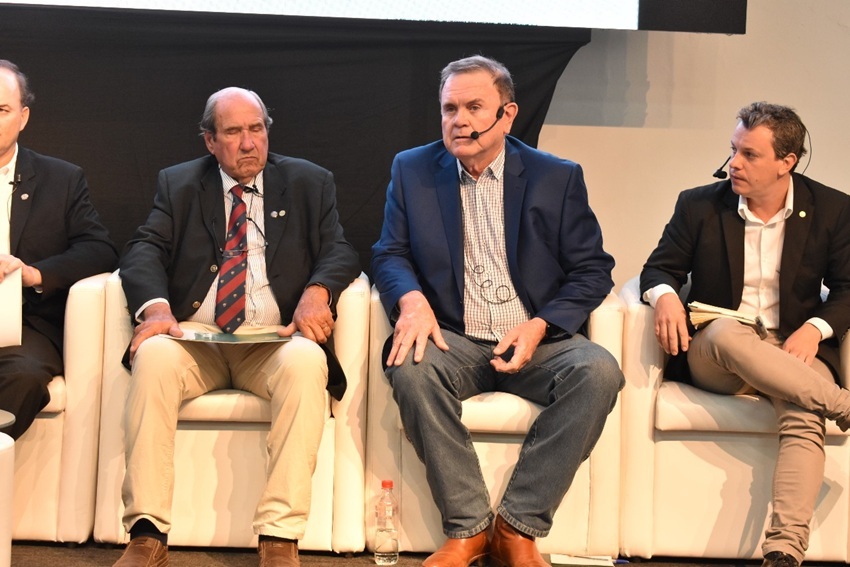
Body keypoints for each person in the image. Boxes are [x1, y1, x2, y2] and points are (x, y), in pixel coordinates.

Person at [371, 55, 624, 567]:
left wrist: (539, 325)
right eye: (448, 109)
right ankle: (467, 529)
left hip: (538, 340)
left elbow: (593, 270)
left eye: (472, 107)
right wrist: (412, 301)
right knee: (410, 369)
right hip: (456, 337)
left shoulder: (557, 177)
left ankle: (517, 527)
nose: (457, 120)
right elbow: (389, 253)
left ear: (507, 115)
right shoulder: (413, 169)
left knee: (599, 372)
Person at [113, 86, 360, 567]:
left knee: (308, 362)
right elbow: (143, 249)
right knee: (154, 355)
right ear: (210, 141)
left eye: (257, 129)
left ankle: (279, 537)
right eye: (233, 132)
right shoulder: (179, 184)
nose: (249, 143)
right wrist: (157, 310)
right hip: (195, 343)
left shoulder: (309, 181)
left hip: (270, 345)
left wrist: (318, 291)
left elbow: (339, 249)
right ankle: (146, 534)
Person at [641, 102, 850, 567]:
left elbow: (848, 288)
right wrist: (665, 296)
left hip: (793, 346)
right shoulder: (698, 205)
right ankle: (843, 405)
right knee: (726, 333)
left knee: (803, 412)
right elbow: (658, 268)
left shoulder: (832, 209)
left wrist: (815, 330)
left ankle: (784, 551)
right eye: (733, 150)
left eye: (750, 155)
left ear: (787, 162)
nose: (734, 163)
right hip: (721, 356)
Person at [0, 59, 117, 440]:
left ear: (23, 116)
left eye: (1, 110)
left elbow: (99, 250)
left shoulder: (60, 179)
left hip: (22, 328)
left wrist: (33, 273)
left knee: (26, 377)